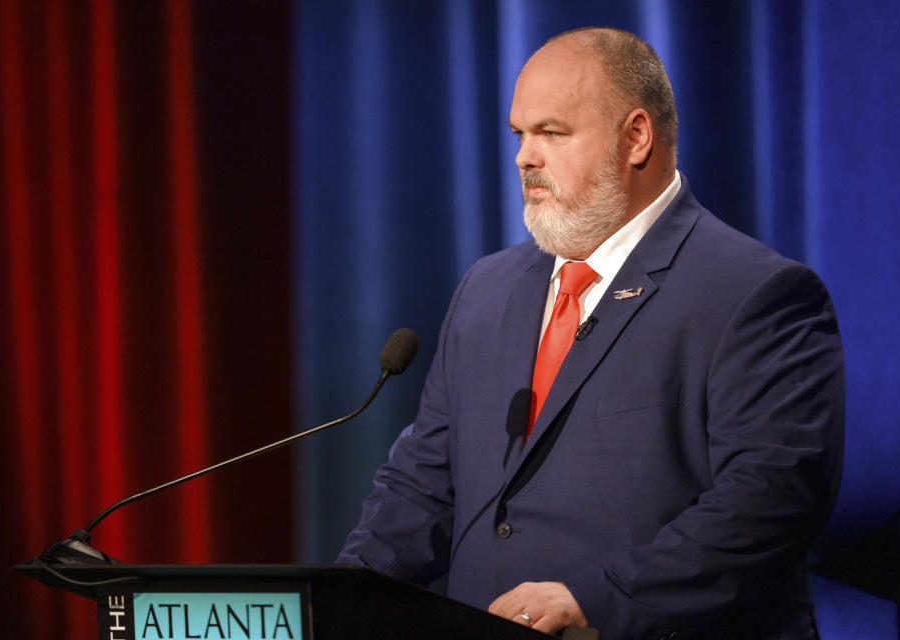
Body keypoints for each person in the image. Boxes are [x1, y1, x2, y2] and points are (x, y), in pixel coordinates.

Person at [338, 27, 844, 640]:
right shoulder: (486, 290)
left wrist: (593, 601)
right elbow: (422, 488)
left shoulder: (756, 294)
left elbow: (771, 504)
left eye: (551, 133)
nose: (525, 156)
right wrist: (341, 598)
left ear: (635, 137)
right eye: (519, 134)